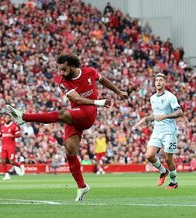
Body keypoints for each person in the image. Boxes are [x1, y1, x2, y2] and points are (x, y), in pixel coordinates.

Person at [7, 53, 128, 201]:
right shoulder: (64, 82)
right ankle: (82, 186)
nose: (61, 73)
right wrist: (98, 102)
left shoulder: (90, 71)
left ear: (72, 66)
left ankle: (24, 117)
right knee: (70, 150)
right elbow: (76, 98)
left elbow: (103, 80)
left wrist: (118, 92)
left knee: (62, 114)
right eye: (59, 69)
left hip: (88, 114)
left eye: (63, 69)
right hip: (77, 114)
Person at [132, 73, 183, 189]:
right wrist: (144, 119)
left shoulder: (170, 97)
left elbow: (180, 112)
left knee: (168, 158)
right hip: (157, 131)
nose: (158, 82)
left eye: (161, 80)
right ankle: (163, 171)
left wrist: (166, 116)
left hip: (169, 131)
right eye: (157, 80)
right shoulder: (153, 98)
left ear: (165, 82)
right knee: (149, 155)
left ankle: (174, 182)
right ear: (154, 83)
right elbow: (155, 115)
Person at [0, 113, 25, 180]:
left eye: (8, 118)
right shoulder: (2, 127)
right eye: (6, 118)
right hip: (4, 146)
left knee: (11, 161)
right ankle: (6, 175)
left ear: (10, 119)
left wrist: (13, 136)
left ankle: (20, 166)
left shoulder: (14, 126)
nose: (7, 119)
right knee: (3, 160)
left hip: (11, 146)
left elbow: (18, 135)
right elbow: (1, 134)